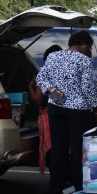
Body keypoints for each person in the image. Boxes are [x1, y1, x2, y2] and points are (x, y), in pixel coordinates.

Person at [36, 30, 97, 194]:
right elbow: (88, 89)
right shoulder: (83, 60)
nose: (90, 51)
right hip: (78, 110)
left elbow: (41, 78)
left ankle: (56, 190)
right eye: (89, 47)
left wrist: (54, 93)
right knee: (77, 149)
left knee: (58, 148)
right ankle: (80, 188)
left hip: (56, 108)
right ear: (82, 45)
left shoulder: (53, 57)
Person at [28, 45, 63, 175]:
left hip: (50, 115)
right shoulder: (69, 71)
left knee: (51, 150)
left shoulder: (45, 74)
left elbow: (39, 100)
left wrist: (31, 87)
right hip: (70, 114)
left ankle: (56, 183)